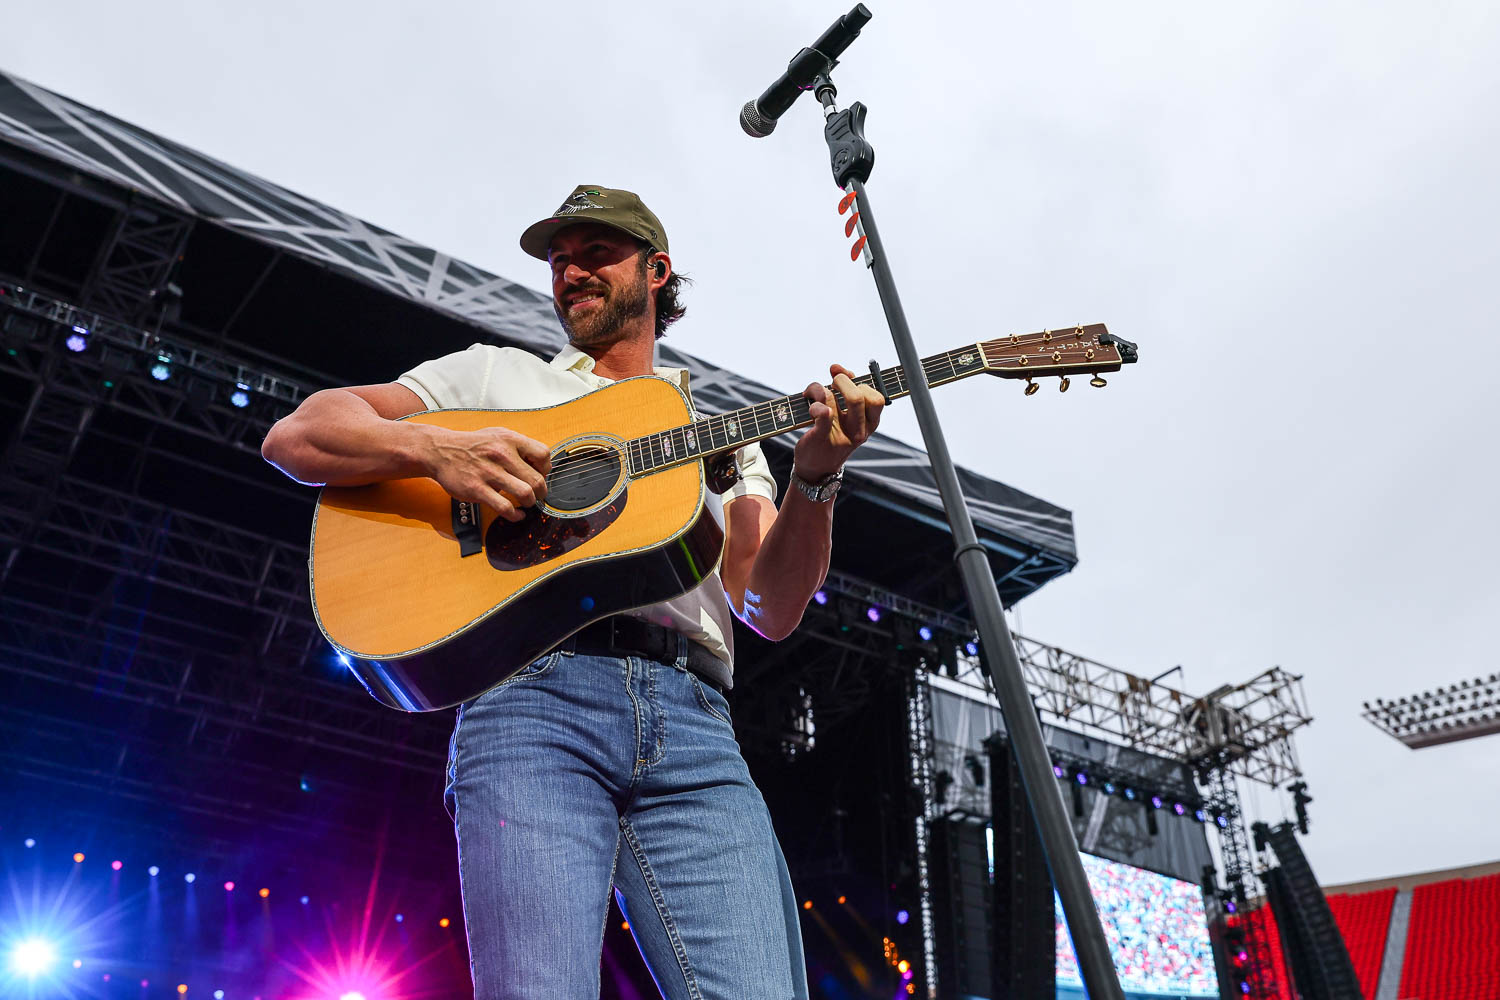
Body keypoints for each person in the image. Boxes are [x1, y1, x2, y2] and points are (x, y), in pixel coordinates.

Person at [261, 185, 885, 999]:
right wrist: (432, 452)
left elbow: (767, 607)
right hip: (531, 706)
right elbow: (297, 434)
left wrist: (815, 477)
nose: (571, 274)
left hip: (696, 728)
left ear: (657, 272)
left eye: (596, 254)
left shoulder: (723, 444)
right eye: (560, 261)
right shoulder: (495, 377)